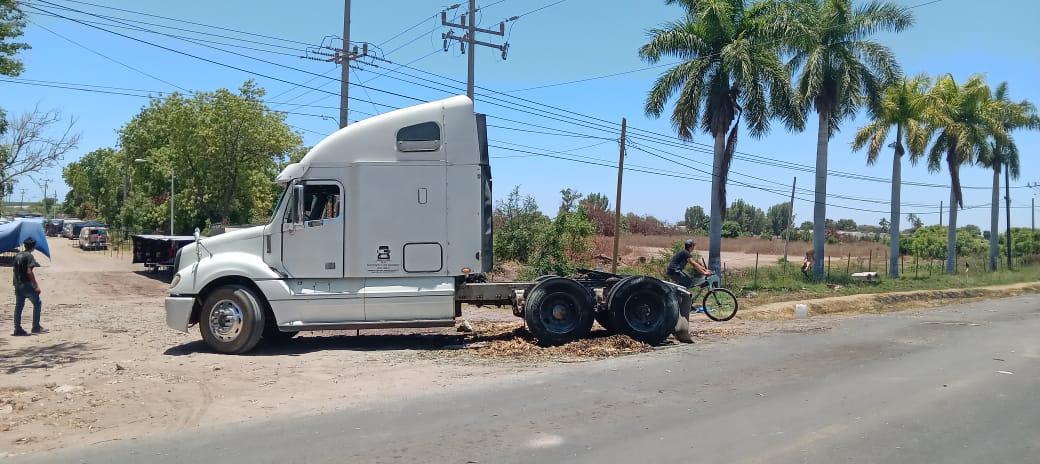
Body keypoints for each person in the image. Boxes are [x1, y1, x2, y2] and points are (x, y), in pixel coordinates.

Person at [12, 237, 44, 336]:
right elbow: (29, 271)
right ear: (33, 246)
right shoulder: (29, 256)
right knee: (37, 303)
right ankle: (35, 326)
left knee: (18, 307)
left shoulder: (17, 255)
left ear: (25, 245)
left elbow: (14, 270)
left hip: (18, 285)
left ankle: (17, 328)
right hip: (27, 285)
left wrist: (15, 283)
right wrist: (36, 285)